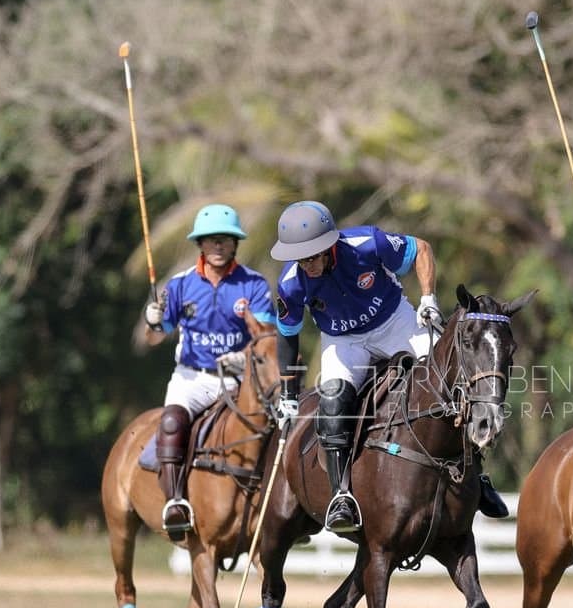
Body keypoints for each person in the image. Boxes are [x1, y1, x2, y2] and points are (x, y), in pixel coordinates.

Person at [267, 200, 508, 533]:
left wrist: (427, 299)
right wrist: (289, 393)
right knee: (334, 402)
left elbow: (421, 250)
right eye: (299, 257)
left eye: (311, 256)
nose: (306, 264)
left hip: (395, 323)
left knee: (451, 382)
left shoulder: (367, 244)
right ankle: (341, 496)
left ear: (328, 246)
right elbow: (287, 334)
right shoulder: (292, 282)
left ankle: (477, 475)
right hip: (343, 340)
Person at [142, 203, 276, 540]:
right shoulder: (180, 285)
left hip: (239, 379)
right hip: (194, 378)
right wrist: (153, 321)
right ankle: (175, 503)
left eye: (225, 240)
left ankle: (284, 507)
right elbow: (154, 338)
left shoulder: (254, 285)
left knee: (279, 425)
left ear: (235, 244)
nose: (218, 246)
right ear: (200, 244)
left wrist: (241, 357)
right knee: (172, 421)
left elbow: (266, 337)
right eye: (211, 240)